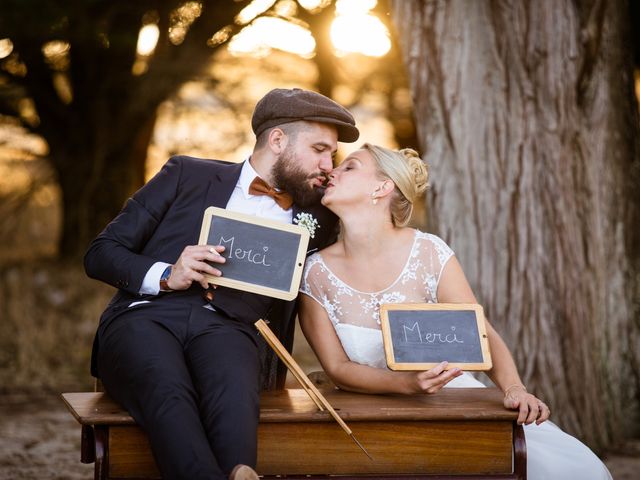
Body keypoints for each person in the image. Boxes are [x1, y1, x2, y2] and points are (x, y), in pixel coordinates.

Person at [84, 88, 359, 480]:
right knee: (169, 393)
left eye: (331, 154)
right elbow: (101, 252)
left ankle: (241, 471)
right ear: (278, 140)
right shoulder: (186, 174)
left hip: (233, 330)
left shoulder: (321, 214)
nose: (328, 164)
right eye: (319, 149)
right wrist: (166, 274)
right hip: (146, 318)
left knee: (233, 398)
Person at [298, 143, 612, 479]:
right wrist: (406, 384)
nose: (333, 171)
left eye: (350, 167)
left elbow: (481, 333)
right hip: (369, 420)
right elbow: (337, 367)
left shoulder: (429, 253)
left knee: (573, 470)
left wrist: (514, 390)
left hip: (454, 404)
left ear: (382, 187)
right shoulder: (314, 272)